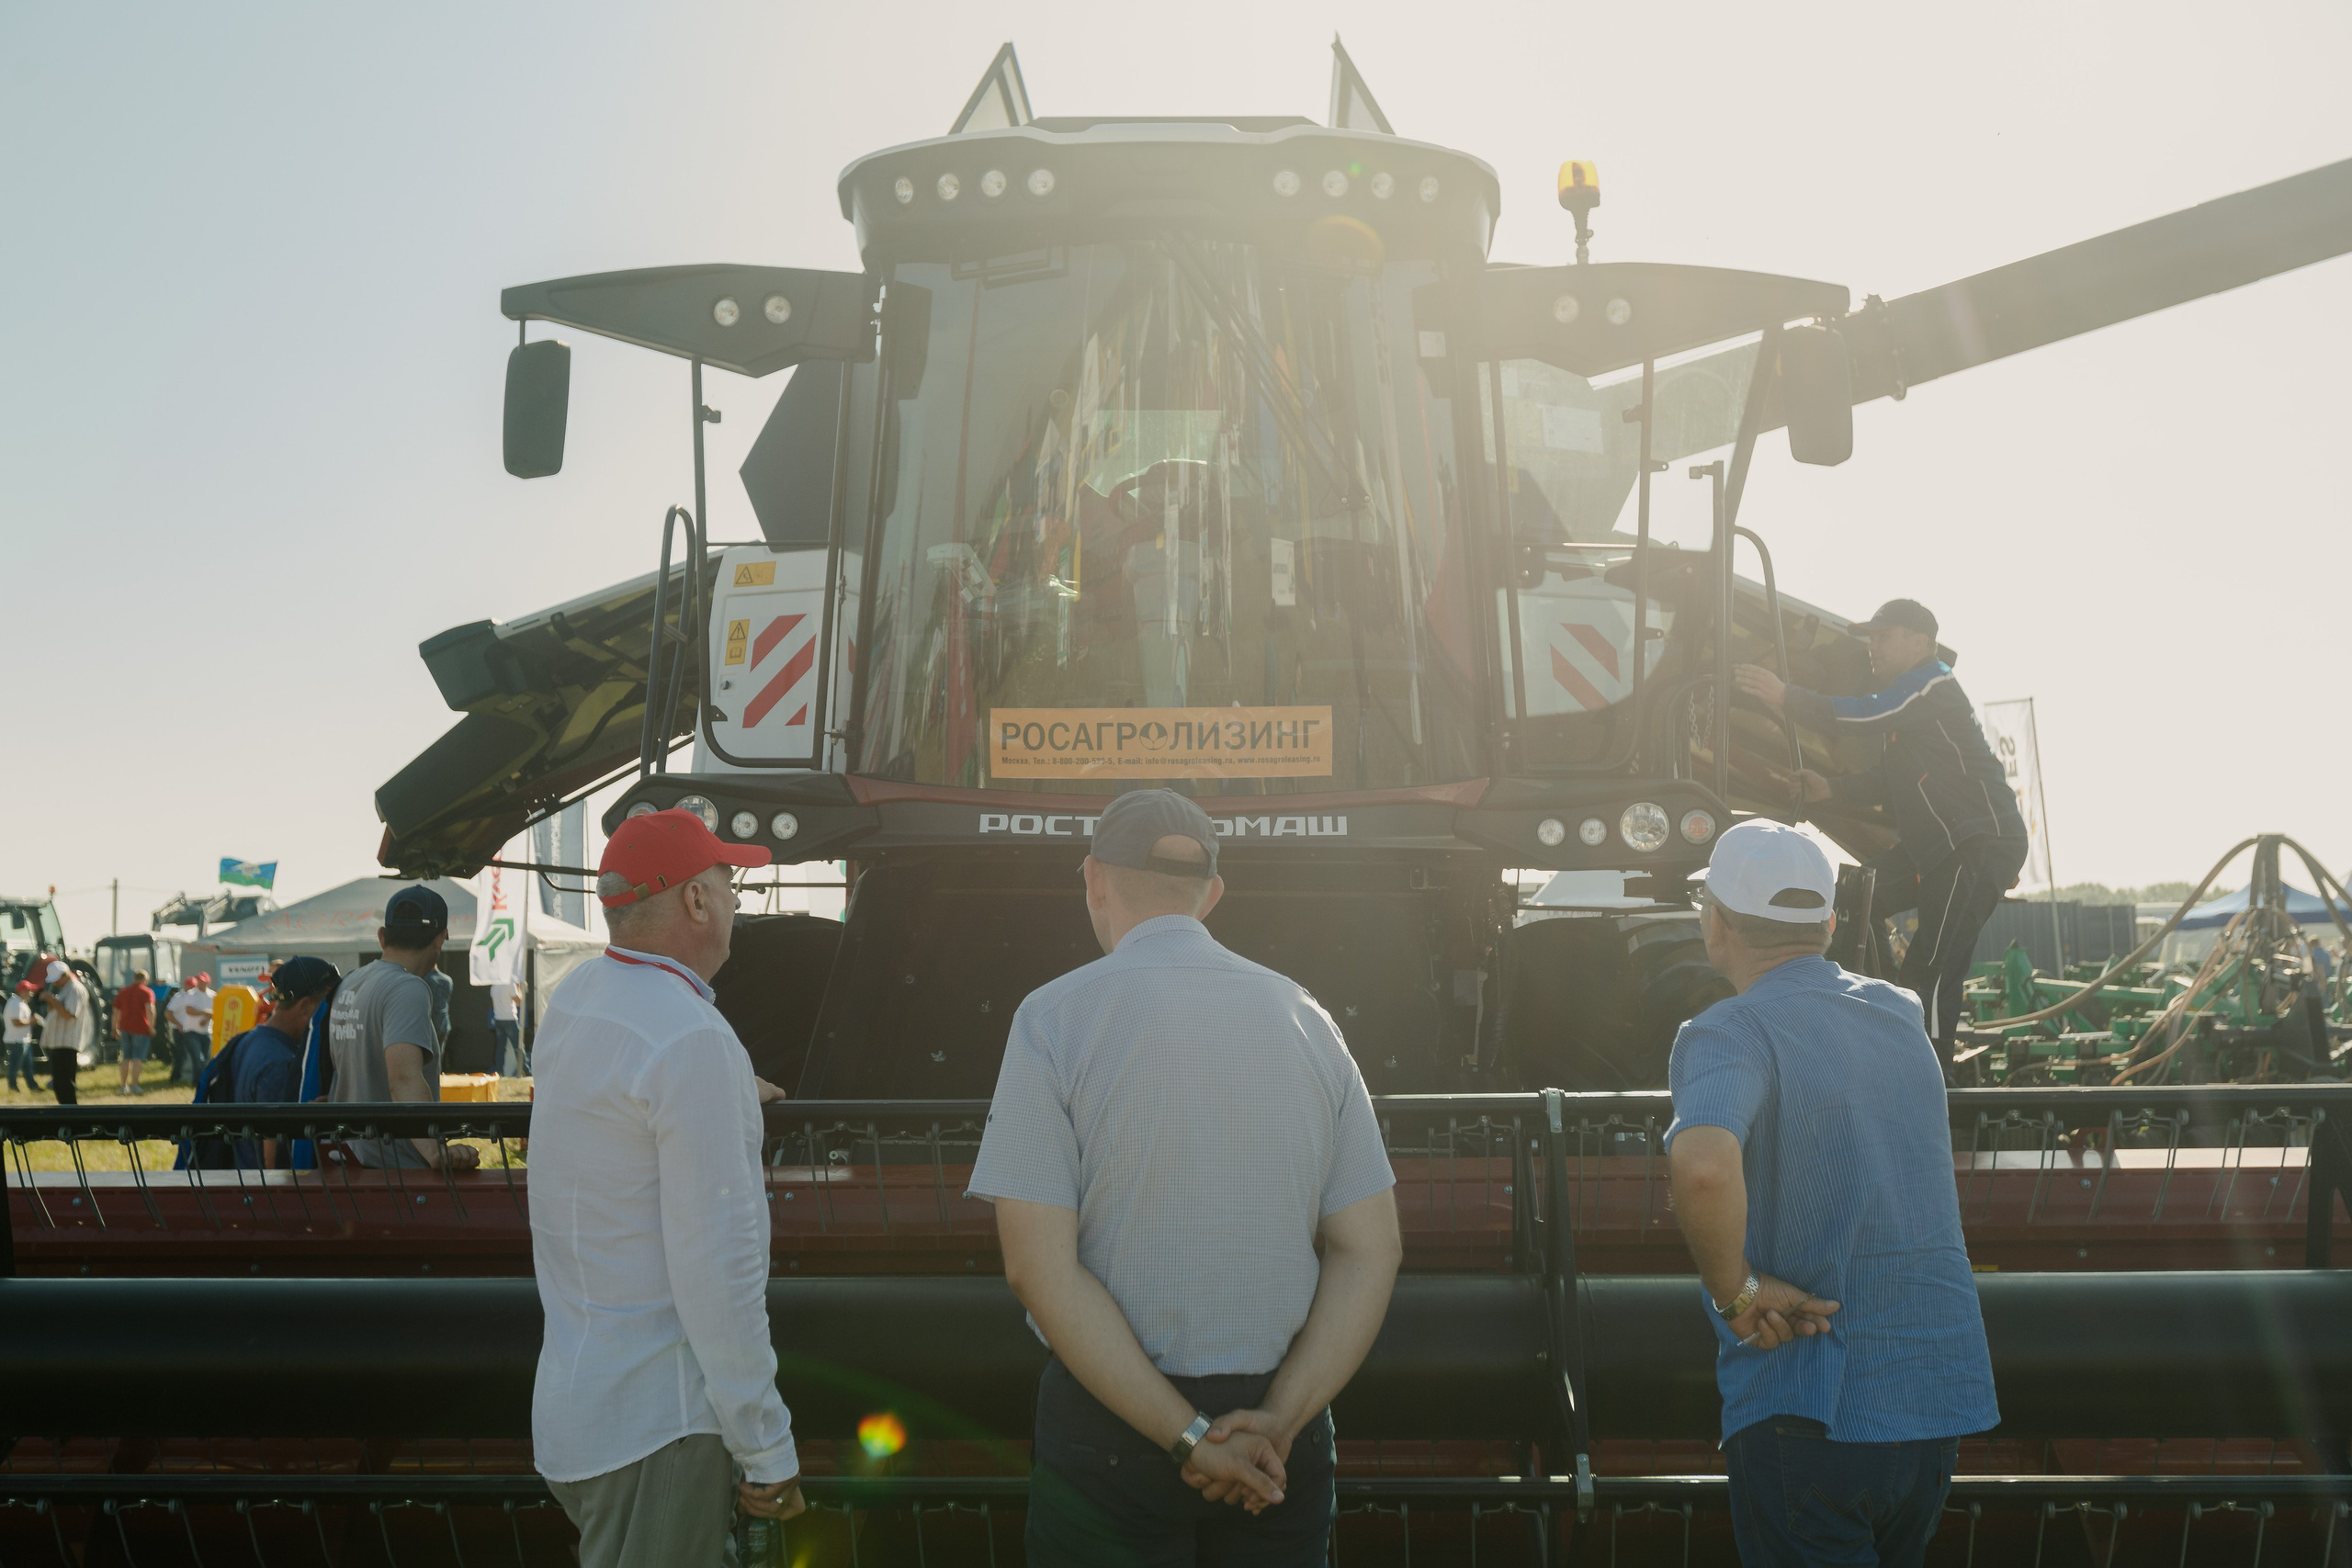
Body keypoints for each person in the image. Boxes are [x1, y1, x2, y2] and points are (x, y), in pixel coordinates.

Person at [969, 789, 1403, 1567]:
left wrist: (1191, 1438)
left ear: (1095, 879)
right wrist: (1276, 1421)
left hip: (1110, 1436)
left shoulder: (1051, 1019)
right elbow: (1372, 1250)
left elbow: (1035, 1265)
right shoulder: (1310, 1019)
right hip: (1277, 1444)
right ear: (1212, 892)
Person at [1665, 819, 1996, 1568]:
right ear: (1830, 922)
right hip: (1929, 1403)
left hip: (1810, 1406)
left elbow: (1705, 1164)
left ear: (1715, 922)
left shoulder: (1731, 1030)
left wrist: (1736, 1289)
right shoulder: (1900, 1016)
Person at [529, 807, 804, 1565]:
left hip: (580, 1412)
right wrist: (767, 1445)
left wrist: (724, 1085)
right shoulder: (691, 1040)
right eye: (729, 879)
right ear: (694, 901)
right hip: (661, 1426)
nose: (737, 897)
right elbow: (721, 1268)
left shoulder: (578, 1001)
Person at [1734, 598, 2029, 1064]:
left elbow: (1862, 714)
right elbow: (1887, 780)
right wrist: (1830, 788)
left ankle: (1928, 1075)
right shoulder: (1910, 714)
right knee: (1849, 899)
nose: (1873, 646)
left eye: (1883, 637)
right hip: (1934, 847)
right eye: (1871, 638)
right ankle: (1872, 1012)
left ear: (1921, 643)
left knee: (1933, 965)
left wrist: (1785, 696)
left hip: (1976, 843)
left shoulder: (1930, 683)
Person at [324, 887, 479, 1173]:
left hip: (348, 1161)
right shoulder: (408, 988)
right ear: (439, 940)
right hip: (395, 1172)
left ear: (382, 936)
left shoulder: (351, 982)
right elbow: (404, 1077)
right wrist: (435, 1150)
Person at [219, 957, 338, 1168]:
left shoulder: (248, 1041)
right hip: (264, 1194)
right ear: (304, 1007)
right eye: (327, 1008)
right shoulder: (280, 1063)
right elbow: (274, 1163)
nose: (332, 1017)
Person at [39, 960, 89, 1105]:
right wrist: (51, 1001)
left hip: (67, 1041)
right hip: (59, 1042)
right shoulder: (65, 990)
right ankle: (65, 1113)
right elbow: (55, 1011)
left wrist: (51, 999)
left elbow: (69, 1014)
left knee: (66, 1083)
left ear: (65, 975)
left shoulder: (75, 989)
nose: (55, 983)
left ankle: (72, 1115)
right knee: (59, 1084)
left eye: (56, 979)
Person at [165, 974, 214, 1087]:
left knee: (203, 1059)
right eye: (196, 982)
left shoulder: (212, 995)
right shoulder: (185, 996)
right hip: (188, 1030)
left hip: (206, 1031)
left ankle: (196, 1081)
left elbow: (215, 1011)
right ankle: (185, 1080)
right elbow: (175, 1012)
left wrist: (207, 1018)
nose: (196, 985)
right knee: (192, 1058)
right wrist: (179, 1025)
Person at [114, 970, 156, 1095]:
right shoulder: (147, 992)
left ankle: (123, 1086)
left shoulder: (123, 992)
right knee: (137, 1058)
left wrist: (114, 1028)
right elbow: (150, 1010)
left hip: (124, 1027)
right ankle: (134, 1085)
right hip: (141, 1028)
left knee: (126, 1057)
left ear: (134, 978)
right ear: (145, 980)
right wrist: (151, 1027)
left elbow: (116, 1011)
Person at [489, 976, 526, 1077]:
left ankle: (499, 1072)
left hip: (498, 1019)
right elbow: (519, 1002)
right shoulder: (510, 984)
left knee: (501, 1047)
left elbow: (493, 1004)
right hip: (510, 1018)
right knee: (518, 1046)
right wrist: (519, 988)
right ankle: (525, 1070)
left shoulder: (493, 986)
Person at [6, 979, 36, 1091]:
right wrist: (32, 1021)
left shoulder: (21, 1003)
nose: (31, 993)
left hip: (23, 1040)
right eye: (29, 990)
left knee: (28, 1065)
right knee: (15, 1065)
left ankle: (32, 1086)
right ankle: (13, 1087)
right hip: (16, 1040)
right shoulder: (15, 1003)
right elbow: (16, 1022)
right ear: (22, 991)